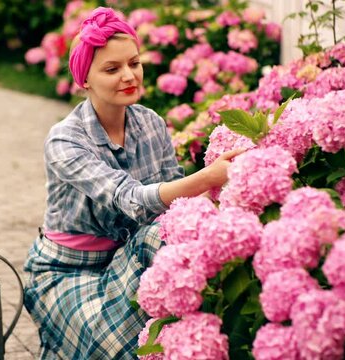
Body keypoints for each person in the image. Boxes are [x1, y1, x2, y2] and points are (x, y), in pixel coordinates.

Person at [23, 7, 241, 359]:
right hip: (67, 272)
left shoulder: (150, 123)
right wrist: (205, 178)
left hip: (125, 260)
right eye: (112, 68)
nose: (129, 76)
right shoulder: (64, 141)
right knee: (126, 347)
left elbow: (173, 203)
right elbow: (128, 197)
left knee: (169, 235)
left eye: (134, 63)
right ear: (85, 79)